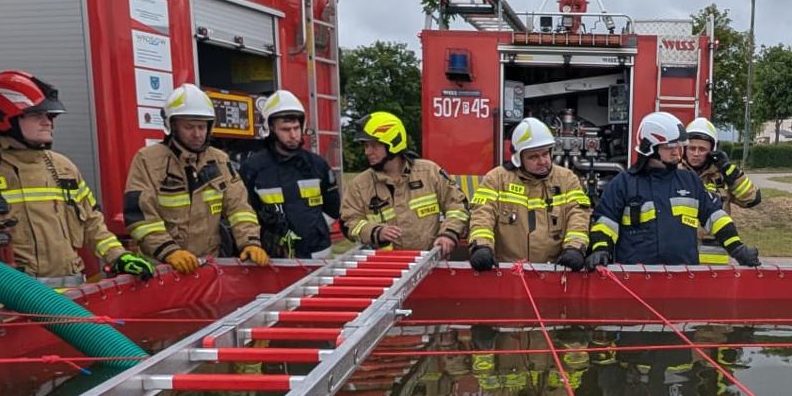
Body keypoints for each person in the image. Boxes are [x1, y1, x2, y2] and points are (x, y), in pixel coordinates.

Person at [0, 70, 154, 315]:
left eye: (49, 115)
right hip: (2, 301)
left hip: (71, 298)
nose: (48, 121)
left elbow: (92, 224)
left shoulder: (63, 168)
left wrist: (118, 256)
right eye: (36, 114)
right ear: (5, 116)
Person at [123, 84, 269, 272]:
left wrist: (250, 242)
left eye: (202, 126)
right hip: (163, 269)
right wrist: (169, 252)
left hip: (208, 267)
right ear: (172, 126)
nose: (197, 134)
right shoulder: (148, 160)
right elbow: (140, 217)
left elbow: (239, 208)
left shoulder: (220, 160)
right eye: (189, 127)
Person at [587, 112, 760, 267]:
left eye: (679, 147)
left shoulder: (689, 181)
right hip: (635, 278)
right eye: (670, 148)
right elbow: (605, 223)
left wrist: (738, 249)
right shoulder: (623, 184)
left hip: (684, 277)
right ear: (650, 148)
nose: (677, 154)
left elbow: (716, 217)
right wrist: (601, 250)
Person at [467, 118, 593, 271]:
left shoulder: (566, 179)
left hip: (554, 271)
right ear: (519, 158)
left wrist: (575, 248)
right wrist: (481, 246)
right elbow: (483, 213)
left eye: (545, 154)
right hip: (507, 272)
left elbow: (578, 213)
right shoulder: (497, 179)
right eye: (533, 157)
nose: (542, 161)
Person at [340, 111, 467, 254]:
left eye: (374, 145)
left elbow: (458, 205)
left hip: (431, 264)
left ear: (393, 142)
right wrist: (375, 231)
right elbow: (348, 223)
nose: (367, 152)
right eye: (366, 146)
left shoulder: (429, 172)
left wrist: (448, 234)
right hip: (386, 267)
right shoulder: (360, 185)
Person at [239, 89, 339, 258]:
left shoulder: (317, 164)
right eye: (285, 129)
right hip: (274, 258)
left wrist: (315, 229)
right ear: (270, 128)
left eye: (296, 128)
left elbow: (333, 207)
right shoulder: (253, 168)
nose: (293, 135)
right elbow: (243, 212)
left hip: (317, 253)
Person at [683, 116, 761, 264]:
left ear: (712, 150)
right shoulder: (674, 174)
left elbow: (752, 199)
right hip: (681, 256)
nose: (696, 153)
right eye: (692, 148)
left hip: (714, 259)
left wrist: (729, 171)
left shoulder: (722, 175)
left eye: (702, 149)